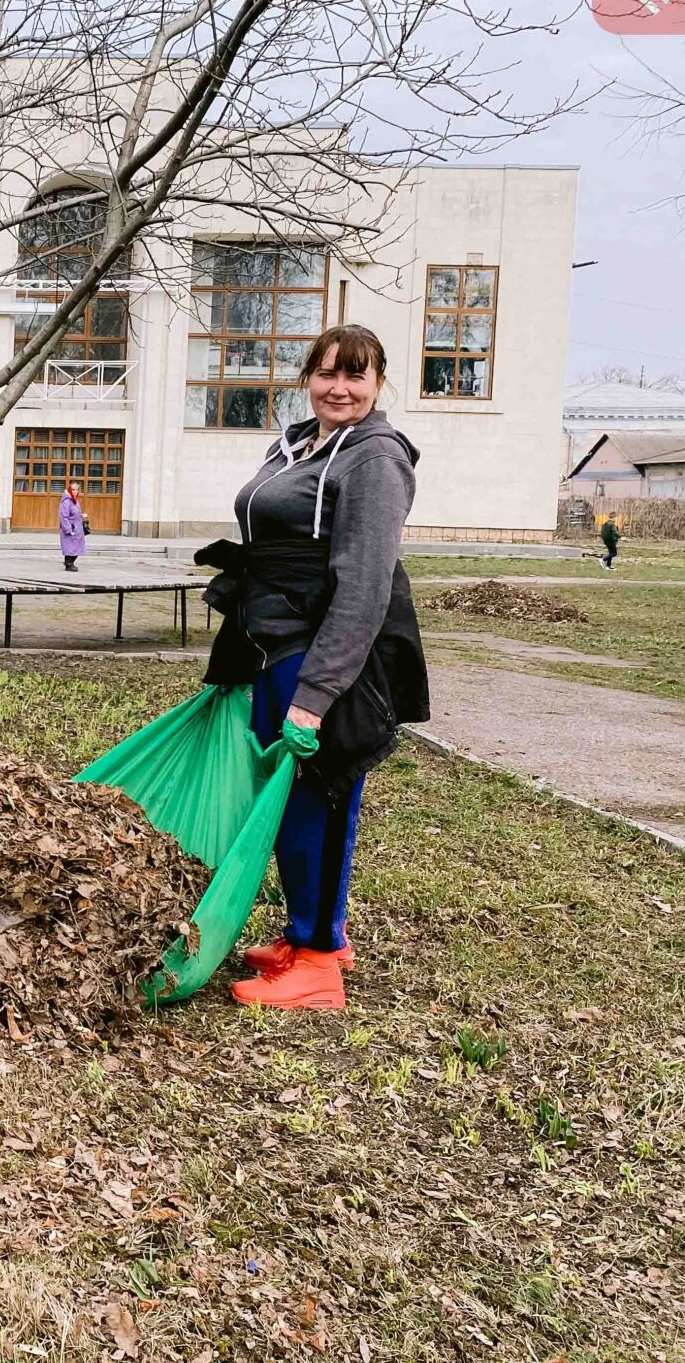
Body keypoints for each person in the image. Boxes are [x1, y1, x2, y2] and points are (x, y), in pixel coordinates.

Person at [193, 323, 429, 1011]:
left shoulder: (375, 458)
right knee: (290, 800)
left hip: (323, 651)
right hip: (274, 641)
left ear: (379, 383)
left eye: (356, 375)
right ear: (307, 377)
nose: (340, 388)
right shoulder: (299, 444)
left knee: (319, 800)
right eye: (327, 373)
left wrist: (317, 694)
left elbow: (363, 584)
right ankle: (310, 935)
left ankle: (320, 964)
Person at [59, 480, 87, 571]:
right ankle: (69, 564)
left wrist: (81, 516)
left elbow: (74, 513)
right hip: (71, 529)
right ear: (70, 490)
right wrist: (68, 529)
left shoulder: (75, 500)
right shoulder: (67, 501)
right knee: (70, 548)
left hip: (77, 528)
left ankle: (70, 563)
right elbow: (64, 516)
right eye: (73, 489)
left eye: (76, 490)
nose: (75, 491)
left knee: (76, 547)